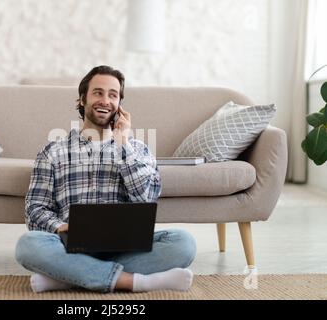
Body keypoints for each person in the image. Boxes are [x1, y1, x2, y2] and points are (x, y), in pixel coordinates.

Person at [15, 65, 196, 293]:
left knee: (183, 243)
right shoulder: (53, 151)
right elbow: (35, 209)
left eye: (113, 95)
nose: (105, 100)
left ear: (120, 105)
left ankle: (69, 277)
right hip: (70, 245)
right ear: (82, 99)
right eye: (98, 93)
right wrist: (62, 227)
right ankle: (134, 282)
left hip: (125, 246)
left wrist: (123, 145)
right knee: (28, 246)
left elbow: (147, 199)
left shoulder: (137, 150)